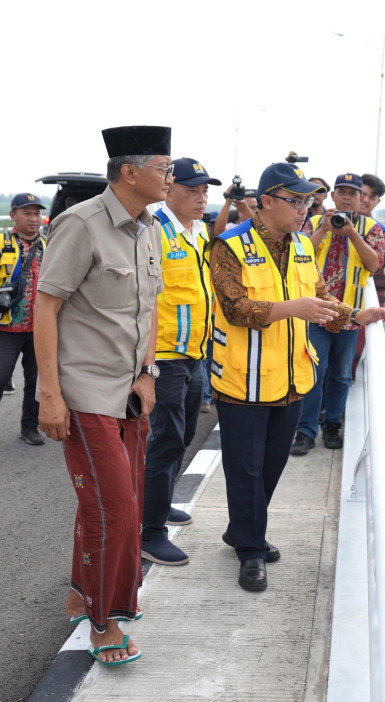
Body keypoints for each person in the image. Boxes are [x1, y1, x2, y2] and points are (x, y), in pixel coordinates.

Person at [210, 162, 385, 592]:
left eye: (308, 201)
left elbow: (322, 294)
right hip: (244, 381)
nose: (304, 209)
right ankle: (251, 549)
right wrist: (294, 309)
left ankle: (242, 530)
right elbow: (236, 308)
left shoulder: (303, 246)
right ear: (265, 202)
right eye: (294, 201)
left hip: (291, 379)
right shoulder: (228, 246)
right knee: (246, 470)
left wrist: (355, 315)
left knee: (271, 467)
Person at [36, 125, 172, 666]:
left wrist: (149, 372)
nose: (170, 176)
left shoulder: (149, 229)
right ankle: (104, 620)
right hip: (86, 391)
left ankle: (79, 590)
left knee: (120, 506)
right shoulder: (82, 223)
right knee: (113, 511)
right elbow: (45, 308)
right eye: (163, 168)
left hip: (130, 390)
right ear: (129, 171)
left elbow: (150, 307)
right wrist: (50, 394)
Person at [141, 157, 221, 566]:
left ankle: (160, 502)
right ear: (169, 190)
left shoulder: (198, 231)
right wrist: (147, 365)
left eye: (204, 191)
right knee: (165, 440)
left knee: (184, 433)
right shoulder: (154, 229)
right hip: (167, 355)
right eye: (191, 190)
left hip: (194, 354)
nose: (200, 198)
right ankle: (149, 531)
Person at [290, 173, 385, 456]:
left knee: (342, 376)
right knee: (314, 372)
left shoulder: (372, 228)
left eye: (352, 193)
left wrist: (351, 233)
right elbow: (299, 254)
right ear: (333, 196)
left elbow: (374, 264)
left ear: (360, 199)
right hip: (317, 312)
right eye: (341, 191)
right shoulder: (313, 222)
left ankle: (332, 425)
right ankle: (306, 430)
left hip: (350, 315)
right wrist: (324, 229)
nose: (346, 197)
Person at [0, 193, 48, 445]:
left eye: (37, 213)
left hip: (40, 327)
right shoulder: (2, 243)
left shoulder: (48, 245)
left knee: (35, 381)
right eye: (27, 213)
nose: (34, 218)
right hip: (6, 326)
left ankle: (29, 426)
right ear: (13, 215)